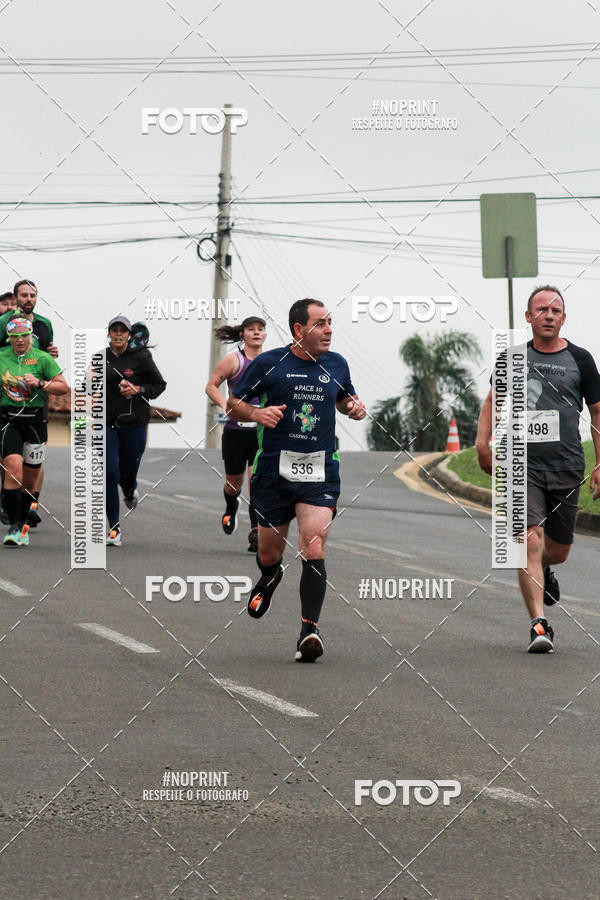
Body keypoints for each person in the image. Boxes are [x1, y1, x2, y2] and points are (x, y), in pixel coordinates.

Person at [228, 298, 366, 662]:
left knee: (313, 545)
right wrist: (256, 413)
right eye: (321, 323)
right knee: (269, 551)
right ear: (299, 330)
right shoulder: (270, 363)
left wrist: (353, 406)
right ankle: (270, 578)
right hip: (273, 472)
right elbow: (233, 403)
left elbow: (345, 398)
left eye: (331, 322)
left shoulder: (336, 364)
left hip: (319, 471)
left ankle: (309, 630)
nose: (329, 330)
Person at [476, 285, 600, 653]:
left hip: (566, 465)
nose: (549, 315)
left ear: (563, 318)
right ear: (528, 317)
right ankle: (539, 623)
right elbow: (492, 401)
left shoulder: (581, 360)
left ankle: (544, 570)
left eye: (556, 310)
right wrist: (483, 443)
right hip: (522, 465)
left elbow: (597, 414)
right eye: (541, 309)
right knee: (530, 539)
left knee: (557, 551)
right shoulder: (513, 358)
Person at [0, 317, 68, 546]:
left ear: (31, 335)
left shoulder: (42, 358)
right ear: (9, 337)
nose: (19, 340)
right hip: (8, 419)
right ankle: (14, 526)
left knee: (29, 482)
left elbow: (62, 387)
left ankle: (22, 522)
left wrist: (40, 383)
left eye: (24, 335)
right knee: (13, 468)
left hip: (35, 423)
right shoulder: (2, 356)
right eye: (15, 336)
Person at [205, 316, 267, 553]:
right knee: (234, 484)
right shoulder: (234, 360)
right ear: (242, 334)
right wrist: (224, 404)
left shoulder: (272, 361)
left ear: (265, 335)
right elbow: (211, 385)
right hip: (235, 432)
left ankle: (255, 532)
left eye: (260, 329)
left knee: (257, 482)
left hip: (261, 431)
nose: (256, 333)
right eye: (251, 330)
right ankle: (231, 506)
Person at [103, 315, 166, 546]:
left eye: (122, 331)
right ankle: (114, 529)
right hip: (107, 424)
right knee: (109, 473)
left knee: (127, 474)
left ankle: (129, 491)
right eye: (114, 330)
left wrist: (138, 389)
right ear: (108, 334)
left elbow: (159, 386)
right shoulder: (101, 357)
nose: (118, 334)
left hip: (135, 424)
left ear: (129, 335)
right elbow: (87, 385)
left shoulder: (141, 357)